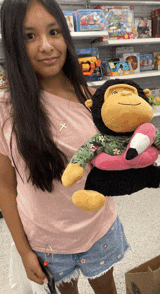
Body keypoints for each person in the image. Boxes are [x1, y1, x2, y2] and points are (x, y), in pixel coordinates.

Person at [0, 0, 130, 293]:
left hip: (98, 227)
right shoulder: (6, 111)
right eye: (29, 36)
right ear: (13, 44)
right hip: (47, 241)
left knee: (107, 287)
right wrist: (23, 251)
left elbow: (109, 160)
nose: (46, 46)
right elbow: (5, 186)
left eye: (54, 31)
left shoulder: (93, 98)